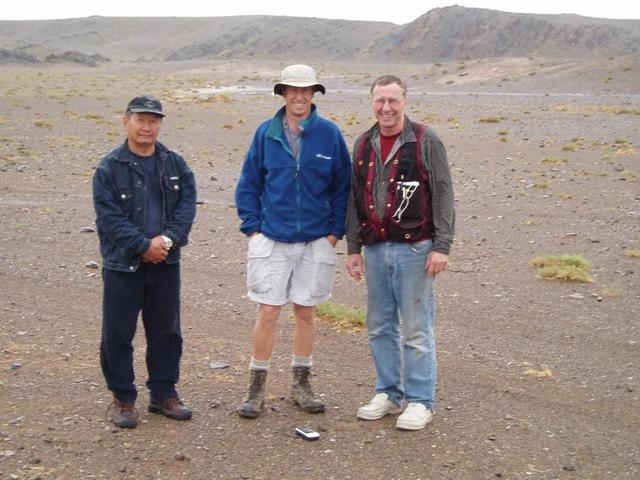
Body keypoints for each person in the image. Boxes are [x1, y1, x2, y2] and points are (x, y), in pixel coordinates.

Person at [235, 64, 351, 418]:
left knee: (305, 311)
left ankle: (301, 384)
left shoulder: (329, 134)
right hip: (272, 239)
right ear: (283, 93)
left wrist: (333, 234)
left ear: (314, 94)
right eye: (292, 90)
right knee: (268, 310)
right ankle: (256, 389)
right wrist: (253, 229)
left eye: (306, 90)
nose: (299, 96)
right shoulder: (265, 134)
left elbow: (343, 187)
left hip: (316, 240)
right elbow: (248, 183)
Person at [345, 75, 455, 430]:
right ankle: (389, 393)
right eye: (380, 101)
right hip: (376, 248)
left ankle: (420, 401)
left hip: (415, 249)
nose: (386, 108)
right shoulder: (364, 143)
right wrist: (353, 247)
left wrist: (442, 246)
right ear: (372, 102)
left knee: (417, 330)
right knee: (379, 326)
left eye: (393, 100)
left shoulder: (425, 139)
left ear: (405, 101)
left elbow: (443, 192)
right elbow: (353, 196)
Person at [92, 95, 197, 428]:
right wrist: (142, 246)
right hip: (124, 266)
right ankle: (123, 398)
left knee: (167, 332)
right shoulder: (110, 167)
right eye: (141, 119)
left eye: (154, 120)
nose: (147, 126)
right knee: (118, 333)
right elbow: (109, 218)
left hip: (166, 262)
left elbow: (187, 206)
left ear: (160, 124)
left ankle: (163, 394)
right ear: (126, 122)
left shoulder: (175, 164)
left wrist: (164, 242)